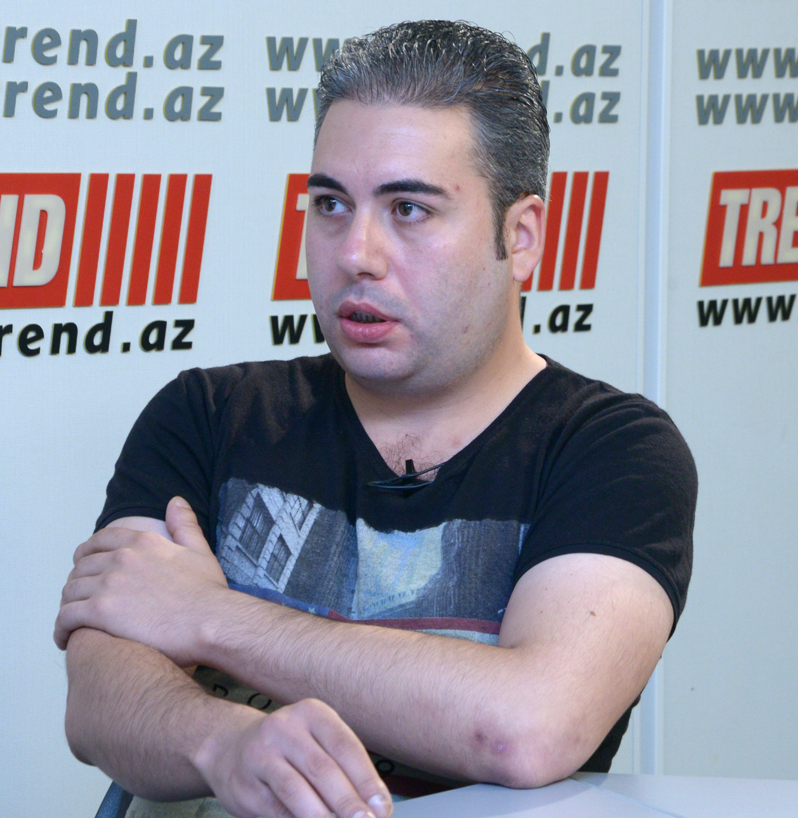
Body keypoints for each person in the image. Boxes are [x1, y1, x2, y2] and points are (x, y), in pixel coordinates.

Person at [55, 20, 696, 818]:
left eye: (409, 209)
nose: (356, 252)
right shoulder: (208, 415)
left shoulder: (610, 451)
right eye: (331, 204)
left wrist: (208, 618)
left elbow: (529, 725)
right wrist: (220, 744)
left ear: (521, 236)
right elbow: (100, 701)